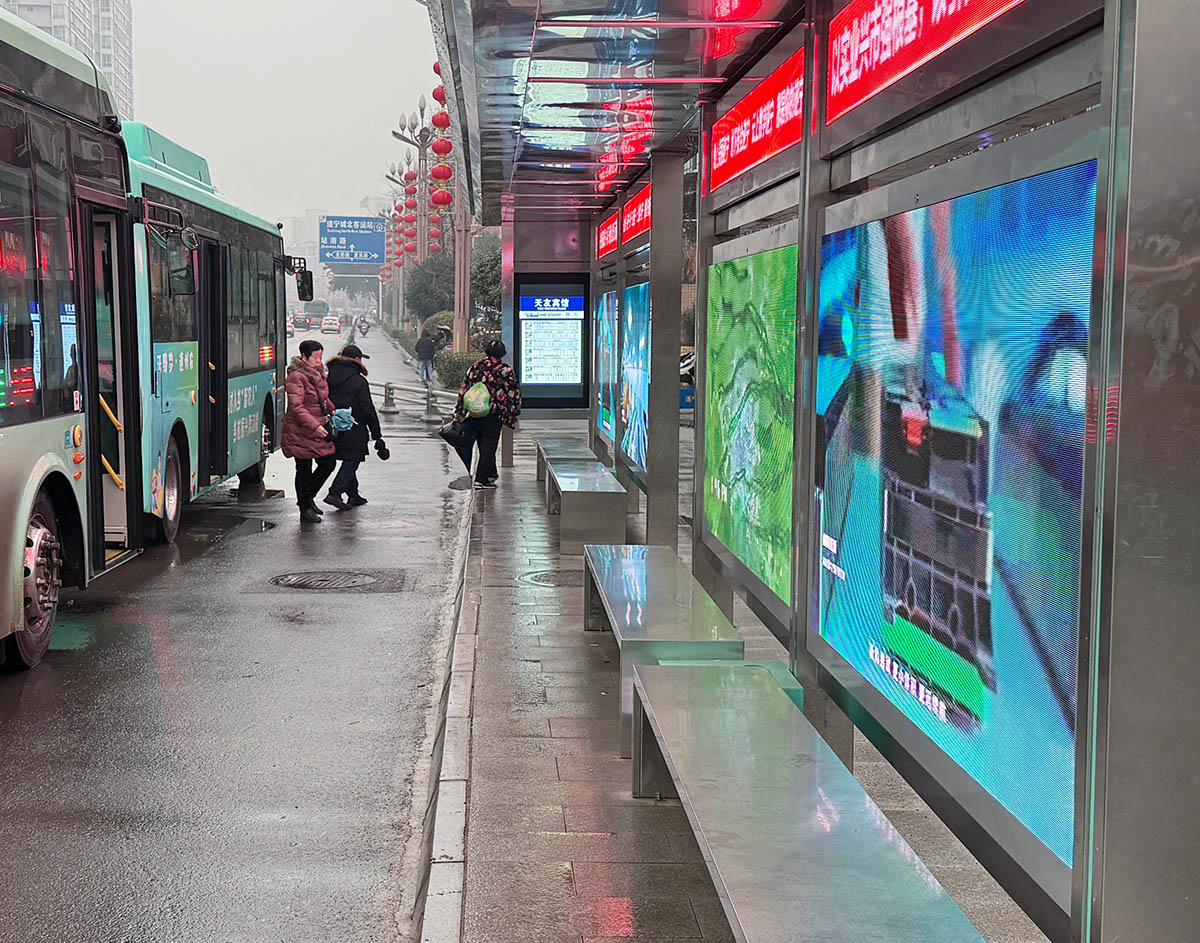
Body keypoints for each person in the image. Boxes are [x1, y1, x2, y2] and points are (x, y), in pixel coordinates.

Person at [452, 339, 522, 489]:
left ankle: (491, 474)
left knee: (482, 445)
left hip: (474, 411)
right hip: (493, 413)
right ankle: (481, 479)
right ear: (502, 354)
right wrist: (513, 411)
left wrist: (459, 411)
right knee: (489, 446)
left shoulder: (475, 367)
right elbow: (513, 392)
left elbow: (464, 388)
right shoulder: (505, 370)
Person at [323, 343, 384, 510]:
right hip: (354, 427)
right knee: (353, 459)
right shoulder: (359, 381)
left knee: (348, 459)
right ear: (357, 359)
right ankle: (335, 493)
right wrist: (377, 434)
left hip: (333, 425)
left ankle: (353, 494)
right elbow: (368, 408)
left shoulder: (329, 377)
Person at [281, 339, 335, 523]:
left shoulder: (317, 372)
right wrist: (315, 426)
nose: (319, 361)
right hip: (300, 430)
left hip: (316, 427)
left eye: (321, 357)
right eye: (316, 357)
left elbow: (321, 398)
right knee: (304, 468)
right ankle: (305, 508)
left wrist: (331, 409)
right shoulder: (296, 377)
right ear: (304, 356)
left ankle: (307, 498)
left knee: (328, 463)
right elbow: (296, 406)